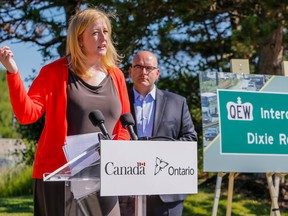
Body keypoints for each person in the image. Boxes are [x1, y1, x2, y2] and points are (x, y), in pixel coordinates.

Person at [0, 8, 130, 216]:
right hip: (59, 176)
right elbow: (27, 114)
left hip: (105, 175)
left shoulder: (116, 76)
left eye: (106, 32)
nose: (103, 37)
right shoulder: (54, 72)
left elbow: (124, 124)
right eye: (95, 32)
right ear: (79, 39)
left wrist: (116, 155)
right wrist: (13, 73)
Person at [119, 50, 198, 216]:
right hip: (126, 190)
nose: (143, 72)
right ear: (130, 71)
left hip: (167, 194)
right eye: (138, 67)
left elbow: (190, 139)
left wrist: (158, 150)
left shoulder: (177, 102)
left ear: (157, 73)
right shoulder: (117, 101)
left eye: (149, 67)